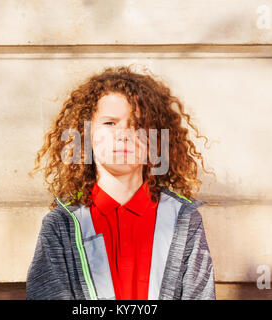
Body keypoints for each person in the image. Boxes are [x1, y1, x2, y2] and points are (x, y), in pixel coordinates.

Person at [26, 65, 216, 300]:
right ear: (86, 136)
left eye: (137, 124)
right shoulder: (63, 223)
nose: (124, 134)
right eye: (110, 123)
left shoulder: (183, 219)